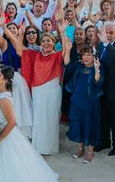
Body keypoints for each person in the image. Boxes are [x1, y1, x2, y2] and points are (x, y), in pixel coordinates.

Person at [6, 22, 71, 155]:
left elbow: (66, 55)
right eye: (44, 41)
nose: (46, 43)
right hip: (38, 89)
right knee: (39, 116)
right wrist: (21, 34)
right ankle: (39, 147)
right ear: (40, 43)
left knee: (51, 116)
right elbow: (19, 50)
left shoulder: (57, 55)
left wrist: (62, 32)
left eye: (49, 41)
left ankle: (50, 147)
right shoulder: (35, 54)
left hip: (52, 89)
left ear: (53, 43)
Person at [64, 45, 103, 163]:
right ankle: (80, 149)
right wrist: (68, 49)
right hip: (77, 99)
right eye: (84, 55)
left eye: (89, 55)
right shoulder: (78, 66)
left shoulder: (98, 67)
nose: (86, 57)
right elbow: (66, 65)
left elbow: (98, 82)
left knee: (90, 125)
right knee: (79, 124)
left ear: (93, 56)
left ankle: (90, 152)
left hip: (90, 101)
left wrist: (97, 69)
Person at [95, 22, 115, 155]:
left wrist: (107, 44)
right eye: (106, 32)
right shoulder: (101, 45)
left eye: (110, 33)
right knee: (103, 117)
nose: (108, 35)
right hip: (102, 86)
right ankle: (104, 142)